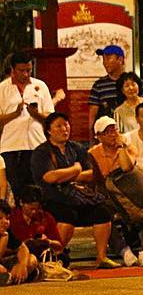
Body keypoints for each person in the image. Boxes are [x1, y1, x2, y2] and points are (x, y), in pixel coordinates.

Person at [30, 112, 117, 268]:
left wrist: (66, 175)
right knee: (68, 214)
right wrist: (75, 169)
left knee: (102, 212)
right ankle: (55, 257)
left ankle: (102, 257)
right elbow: (49, 178)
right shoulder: (41, 152)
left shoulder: (77, 148)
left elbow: (90, 174)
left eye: (66, 125)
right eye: (59, 126)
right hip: (54, 199)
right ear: (49, 131)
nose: (65, 129)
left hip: (78, 197)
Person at [86, 116, 143, 267]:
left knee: (142, 208)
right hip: (107, 195)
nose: (113, 134)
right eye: (107, 132)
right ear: (98, 137)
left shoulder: (128, 147)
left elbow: (126, 168)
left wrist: (121, 147)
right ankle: (124, 251)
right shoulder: (92, 154)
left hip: (131, 193)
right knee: (104, 213)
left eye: (114, 130)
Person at [1, 52, 54, 202]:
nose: (26, 74)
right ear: (12, 69)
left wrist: (36, 114)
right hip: (10, 145)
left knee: (35, 186)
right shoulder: (2, 88)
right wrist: (15, 113)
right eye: (22, 70)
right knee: (15, 186)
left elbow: (51, 118)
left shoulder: (40, 86)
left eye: (29, 70)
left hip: (36, 143)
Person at [8, 184, 63, 262]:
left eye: (37, 208)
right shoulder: (10, 217)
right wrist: (24, 244)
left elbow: (59, 245)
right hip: (16, 257)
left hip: (42, 256)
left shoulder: (45, 217)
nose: (34, 212)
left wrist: (48, 241)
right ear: (21, 202)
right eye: (31, 208)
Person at [88, 45, 131, 131]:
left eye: (108, 58)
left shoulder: (133, 83)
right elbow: (93, 113)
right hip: (107, 133)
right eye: (103, 59)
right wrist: (92, 136)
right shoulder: (99, 85)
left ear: (120, 60)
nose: (105, 62)